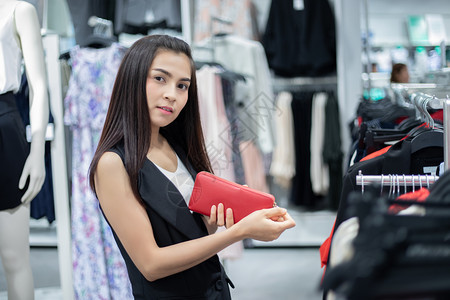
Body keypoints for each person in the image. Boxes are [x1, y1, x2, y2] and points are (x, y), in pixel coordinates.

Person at [89, 34, 296, 299]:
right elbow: (151, 264)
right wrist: (238, 232)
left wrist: (212, 222)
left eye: (182, 86)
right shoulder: (113, 163)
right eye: (160, 78)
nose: (171, 95)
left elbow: (190, 234)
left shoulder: (176, 145)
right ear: (133, 79)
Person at [0, 1, 49, 299]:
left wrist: (37, 151)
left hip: (3, 125)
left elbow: (39, 85)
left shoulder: (19, 10)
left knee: (15, 258)